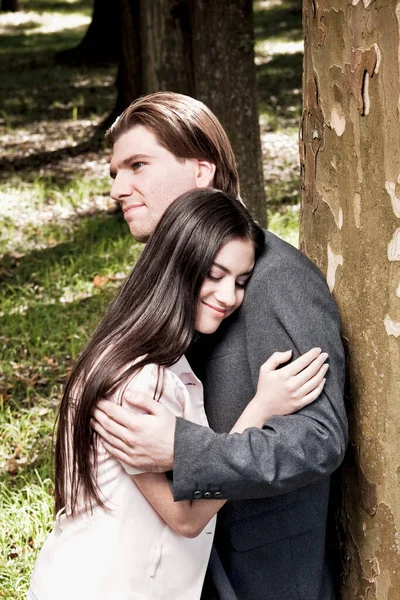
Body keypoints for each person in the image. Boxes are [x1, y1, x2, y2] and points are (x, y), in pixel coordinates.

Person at [92, 92, 348, 600]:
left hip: (260, 576)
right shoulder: (166, 280)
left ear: (201, 172)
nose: (119, 188)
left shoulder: (276, 276)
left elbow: (321, 438)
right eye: (115, 172)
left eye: (137, 165)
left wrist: (186, 449)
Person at [27, 189, 328, 600]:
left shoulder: (136, 354)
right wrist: (260, 407)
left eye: (240, 282)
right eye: (214, 275)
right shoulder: (140, 382)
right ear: (177, 263)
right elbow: (184, 518)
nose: (228, 297)